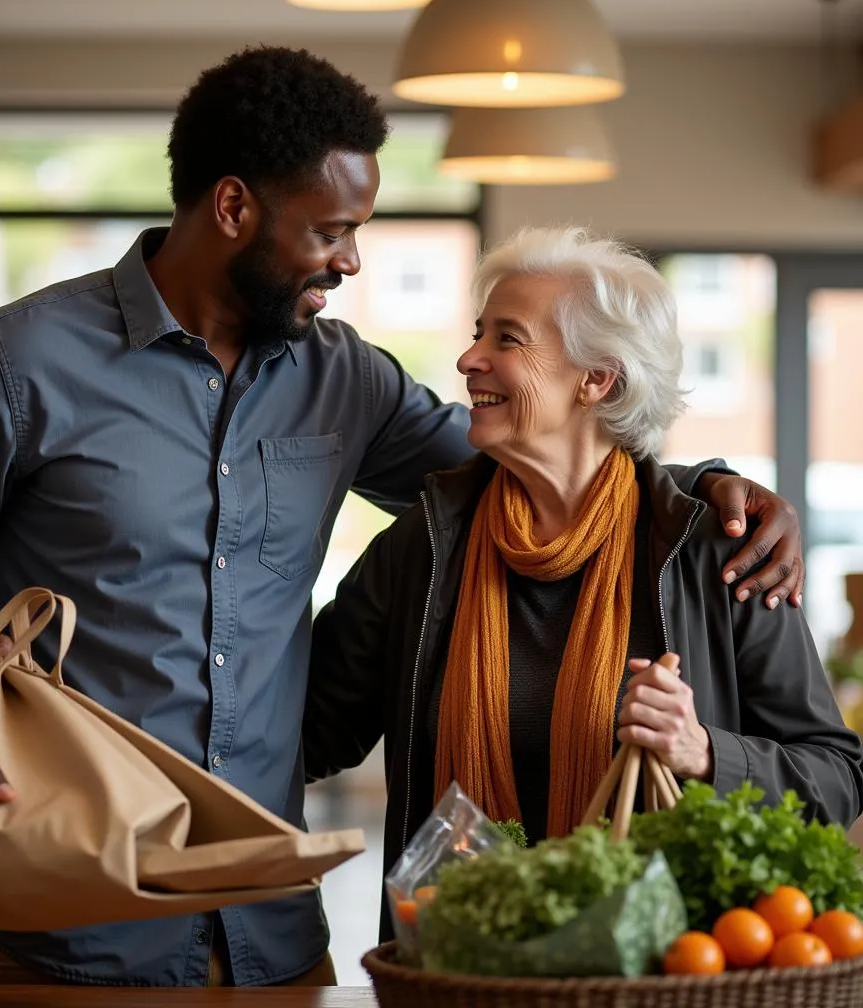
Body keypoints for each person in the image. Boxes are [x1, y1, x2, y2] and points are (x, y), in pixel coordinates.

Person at [0, 47, 801, 988]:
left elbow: (554, 464)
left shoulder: (349, 382)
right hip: (72, 929)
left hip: (272, 937)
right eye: (331, 231)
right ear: (233, 207)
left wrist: (709, 487)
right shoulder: (18, 361)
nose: (349, 260)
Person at [303, 227, 863, 943]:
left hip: (665, 975)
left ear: (596, 379)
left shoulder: (715, 551)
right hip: (462, 969)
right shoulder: (424, 546)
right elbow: (308, 731)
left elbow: (836, 778)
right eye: (479, 334)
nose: (469, 358)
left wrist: (704, 753)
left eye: (507, 340)